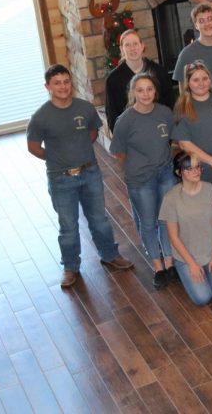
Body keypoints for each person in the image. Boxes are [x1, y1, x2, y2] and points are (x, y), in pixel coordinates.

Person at [27, 65, 134, 289]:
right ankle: (70, 267)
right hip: (60, 178)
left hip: (90, 172)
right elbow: (34, 147)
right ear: (48, 86)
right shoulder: (41, 117)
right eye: (57, 83)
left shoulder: (85, 108)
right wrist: (58, 158)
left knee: (99, 219)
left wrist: (79, 152)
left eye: (66, 81)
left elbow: (93, 132)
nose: (63, 86)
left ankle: (109, 254)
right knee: (68, 226)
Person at [109, 73, 177, 289]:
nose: (145, 94)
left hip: (165, 172)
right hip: (140, 179)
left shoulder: (165, 113)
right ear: (133, 93)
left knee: (166, 218)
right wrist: (140, 164)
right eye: (140, 90)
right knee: (149, 222)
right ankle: (158, 267)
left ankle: (169, 261)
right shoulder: (125, 120)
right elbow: (118, 152)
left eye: (149, 89)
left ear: (155, 92)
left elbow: (173, 140)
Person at [159, 151, 212, 305]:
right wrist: (191, 263)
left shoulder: (210, 189)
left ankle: (209, 269)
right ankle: (184, 270)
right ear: (179, 172)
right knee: (202, 298)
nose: (196, 171)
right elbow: (173, 237)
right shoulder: (171, 198)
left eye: (197, 167)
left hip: (211, 250)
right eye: (189, 169)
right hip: (187, 256)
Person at [105, 29, 174, 132]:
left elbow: (171, 104)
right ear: (121, 49)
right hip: (131, 134)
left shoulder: (159, 72)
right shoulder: (113, 79)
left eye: (135, 44)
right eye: (127, 45)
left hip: (160, 129)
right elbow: (112, 115)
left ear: (142, 46)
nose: (132, 48)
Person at [172, 4, 212, 90]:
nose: (207, 24)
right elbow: (183, 89)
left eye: (210, 19)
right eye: (201, 21)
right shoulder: (186, 54)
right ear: (196, 26)